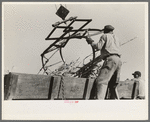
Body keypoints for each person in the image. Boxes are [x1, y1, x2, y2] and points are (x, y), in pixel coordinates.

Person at [86, 25, 122, 100]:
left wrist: (91, 41)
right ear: (112, 31)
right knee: (113, 84)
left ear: (105, 30)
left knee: (101, 81)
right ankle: (116, 101)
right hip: (118, 60)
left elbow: (98, 47)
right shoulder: (117, 38)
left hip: (110, 59)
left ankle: (100, 102)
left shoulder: (104, 36)